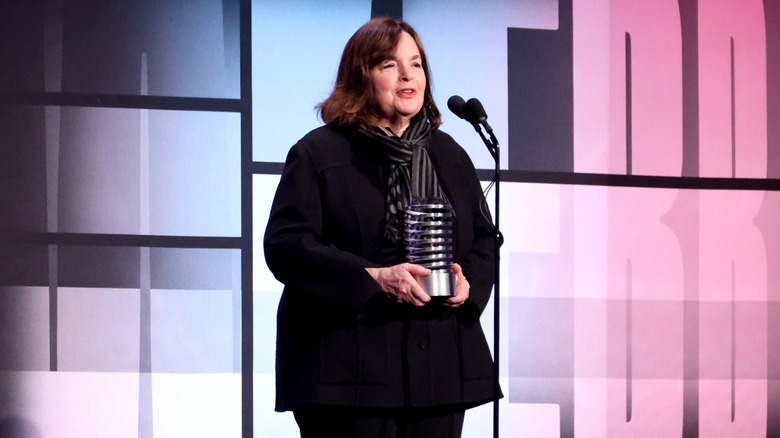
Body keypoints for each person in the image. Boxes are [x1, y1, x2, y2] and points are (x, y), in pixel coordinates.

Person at [264, 17, 500, 438]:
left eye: (416, 64)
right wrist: (374, 277)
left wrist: (468, 282)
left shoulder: (450, 155)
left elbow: (484, 239)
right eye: (389, 65)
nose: (408, 75)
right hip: (347, 375)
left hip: (440, 372)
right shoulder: (319, 153)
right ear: (361, 77)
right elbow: (286, 246)